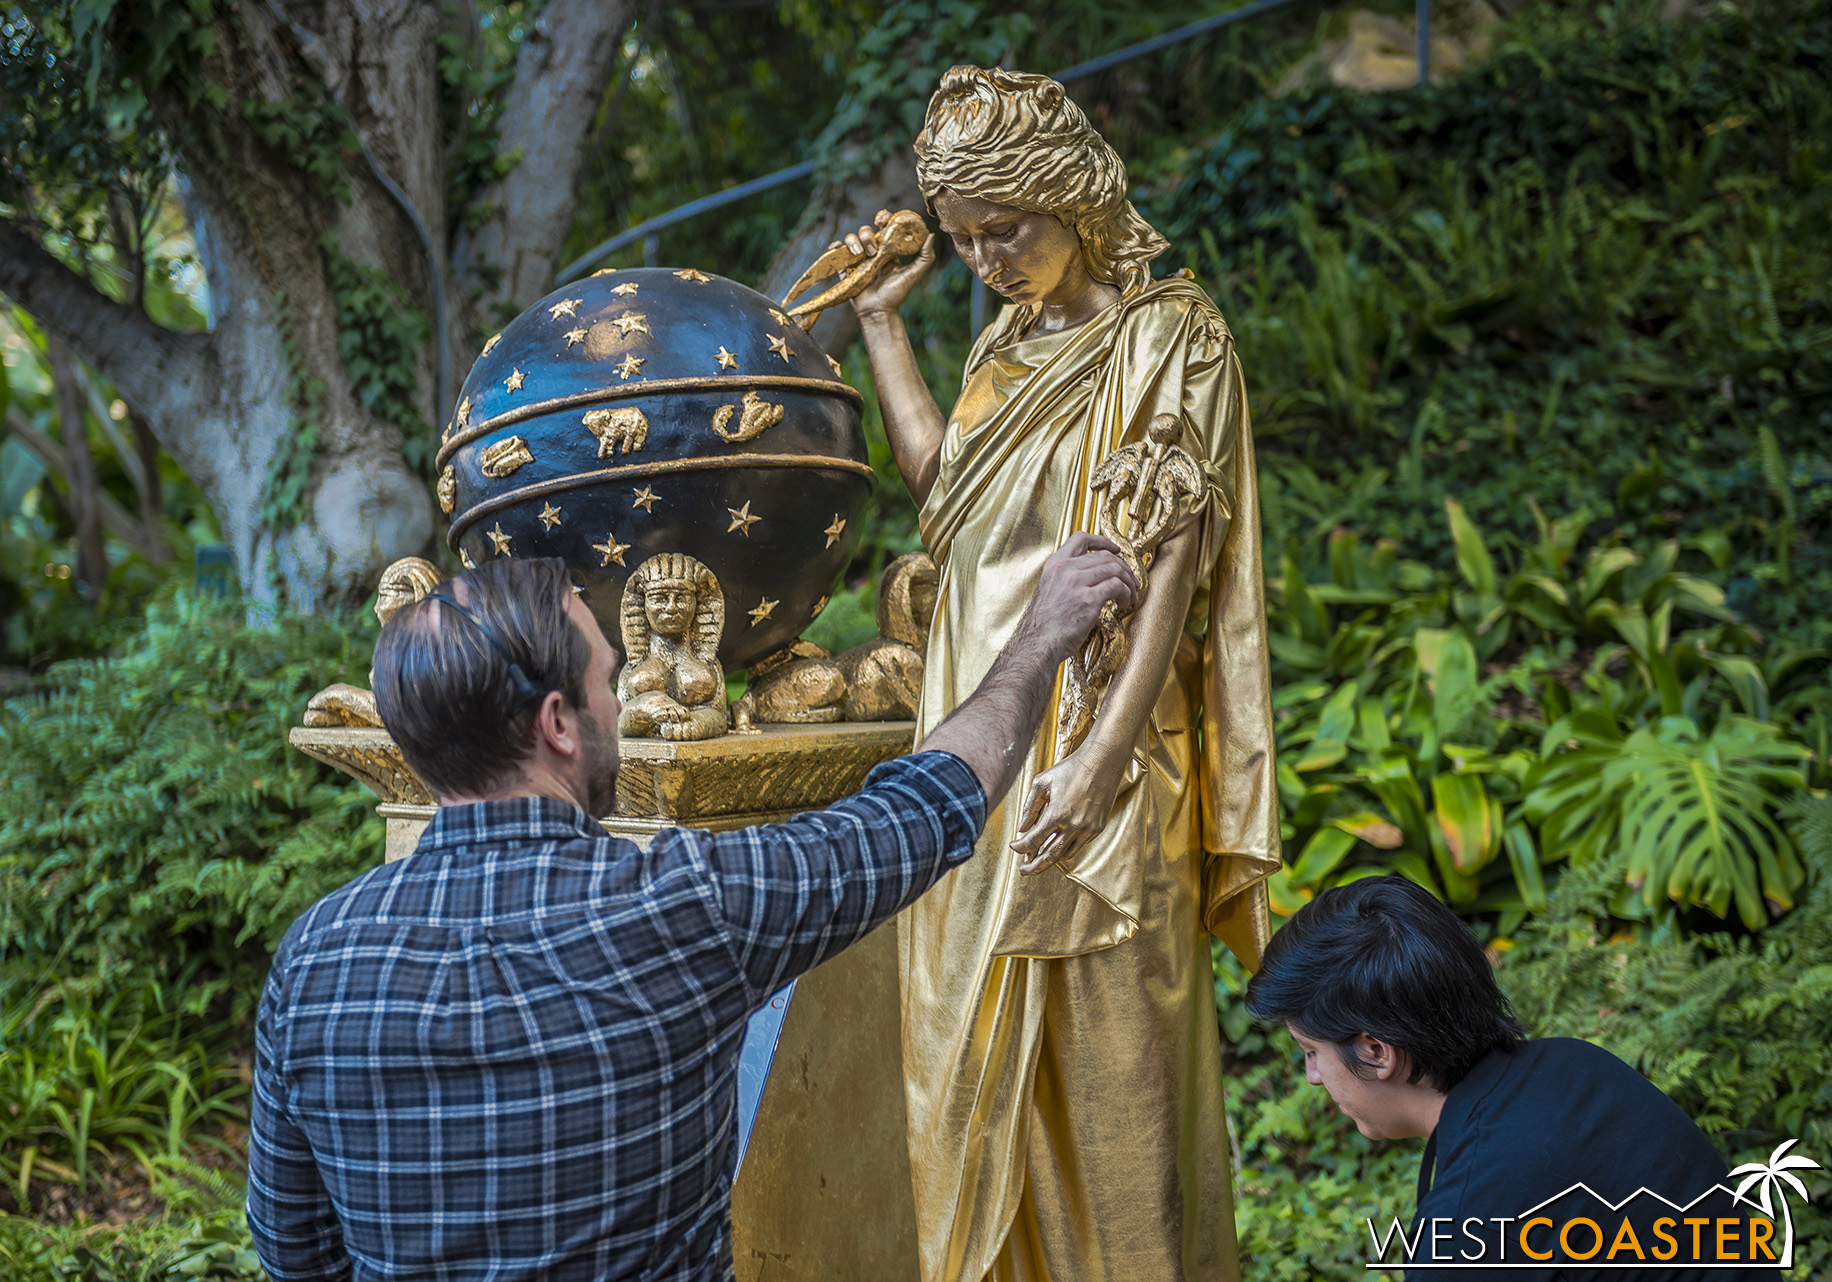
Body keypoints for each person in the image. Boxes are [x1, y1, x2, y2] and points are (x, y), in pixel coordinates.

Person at [244, 535, 1138, 1282]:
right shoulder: (685, 909)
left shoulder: (312, 960)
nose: (620, 704)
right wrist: (1041, 638)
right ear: (558, 724)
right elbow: (921, 811)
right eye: (606, 679)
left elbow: (296, 1257)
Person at [845, 65, 1280, 1281]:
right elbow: (950, 510)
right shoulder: (999, 342)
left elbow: (1173, 560)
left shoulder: (1167, 334)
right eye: (968, 236)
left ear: (1077, 198)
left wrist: (1095, 761)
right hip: (971, 747)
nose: (987, 258)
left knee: (1111, 1068)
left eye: (1010, 229)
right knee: (969, 1070)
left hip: (1104, 751)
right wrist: (884, 324)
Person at [1244, 876, 1784, 1281]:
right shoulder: (1576, 1066)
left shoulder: (1465, 1232)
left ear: (1376, 1051)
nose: (1313, 1077)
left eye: (1311, 1052)